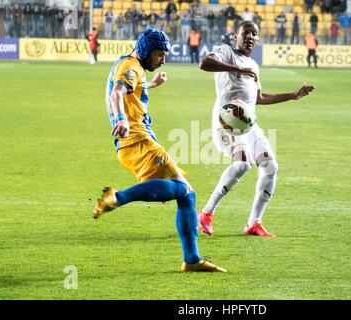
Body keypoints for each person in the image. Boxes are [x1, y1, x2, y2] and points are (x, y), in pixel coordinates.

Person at [93, 28, 226, 273]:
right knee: (183, 190)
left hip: (135, 140)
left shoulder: (134, 67)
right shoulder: (130, 67)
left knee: (186, 195)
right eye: (159, 54)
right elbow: (117, 92)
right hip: (136, 138)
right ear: (145, 51)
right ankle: (116, 198)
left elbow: (132, 87)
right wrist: (121, 118)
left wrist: (150, 85)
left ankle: (192, 260)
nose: (163, 59)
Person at [198, 21, 315, 237]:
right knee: (242, 164)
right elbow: (205, 63)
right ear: (236, 36)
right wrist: (236, 69)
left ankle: (254, 223)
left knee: (270, 166)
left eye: (254, 34)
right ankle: (205, 213)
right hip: (227, 122)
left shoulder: (253, 66)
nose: (251, 37)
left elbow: (258, 98)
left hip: (248, 124)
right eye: (246, 33)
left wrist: (292, 95)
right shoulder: (226, 52)